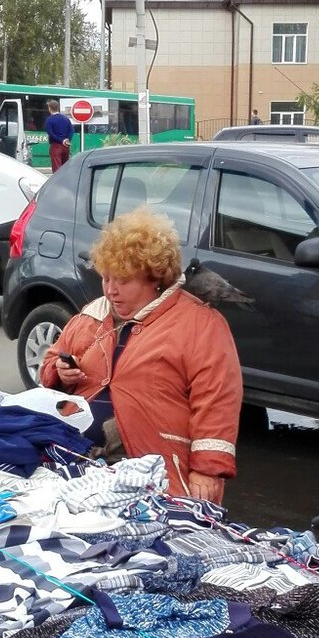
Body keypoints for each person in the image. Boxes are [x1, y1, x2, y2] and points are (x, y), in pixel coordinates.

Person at [40, 208, 243, 503]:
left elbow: (218, 401)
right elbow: (49, 364)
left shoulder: (200, 323)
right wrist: (59, 371)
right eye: (105, 278)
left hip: (159, 475)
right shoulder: (92, 315)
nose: (110, 291)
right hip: (79, 466)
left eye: (122, 280)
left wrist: (208, 471)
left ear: (154, 277)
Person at [44, 99, 74, 172]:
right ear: (58, 108)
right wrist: (67, 140)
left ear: (50, 108)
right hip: (66, 146)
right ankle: (66, 181)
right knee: (65, 167)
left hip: (56, 146)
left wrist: (61, 141)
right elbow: (71, 131)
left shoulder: (49, 120)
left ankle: (58, 183)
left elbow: (50, 133)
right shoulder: (66, 119)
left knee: (57, 168)